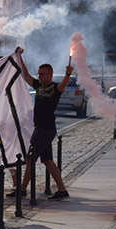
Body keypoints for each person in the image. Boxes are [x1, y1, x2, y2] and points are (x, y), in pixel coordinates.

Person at [7, 46, 70, 200]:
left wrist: (68, 74)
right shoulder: (39, 86)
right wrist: (19, 57)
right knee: (48, 161)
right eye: (39, 74)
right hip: (40, 128)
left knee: (30, 158)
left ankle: (22, 190)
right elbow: (25, 75)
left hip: (45, 129)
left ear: (50, 74)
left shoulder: (54, 88)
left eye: (43, 74)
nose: (40, 76)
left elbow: (63, 84)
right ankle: (62, 191)